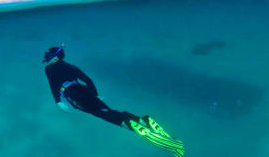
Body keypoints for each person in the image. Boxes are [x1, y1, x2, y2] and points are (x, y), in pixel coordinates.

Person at [43, 45, 184, 156]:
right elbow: (87, 80)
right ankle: (141, 120)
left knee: (104, 115)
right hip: (83, 90)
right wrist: (95, 94)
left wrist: (58, 101)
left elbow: (52, 85)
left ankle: (130, 123)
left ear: (53, 56)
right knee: (108, 111)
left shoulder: (49, 69)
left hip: (72, 95)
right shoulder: (71, 66)